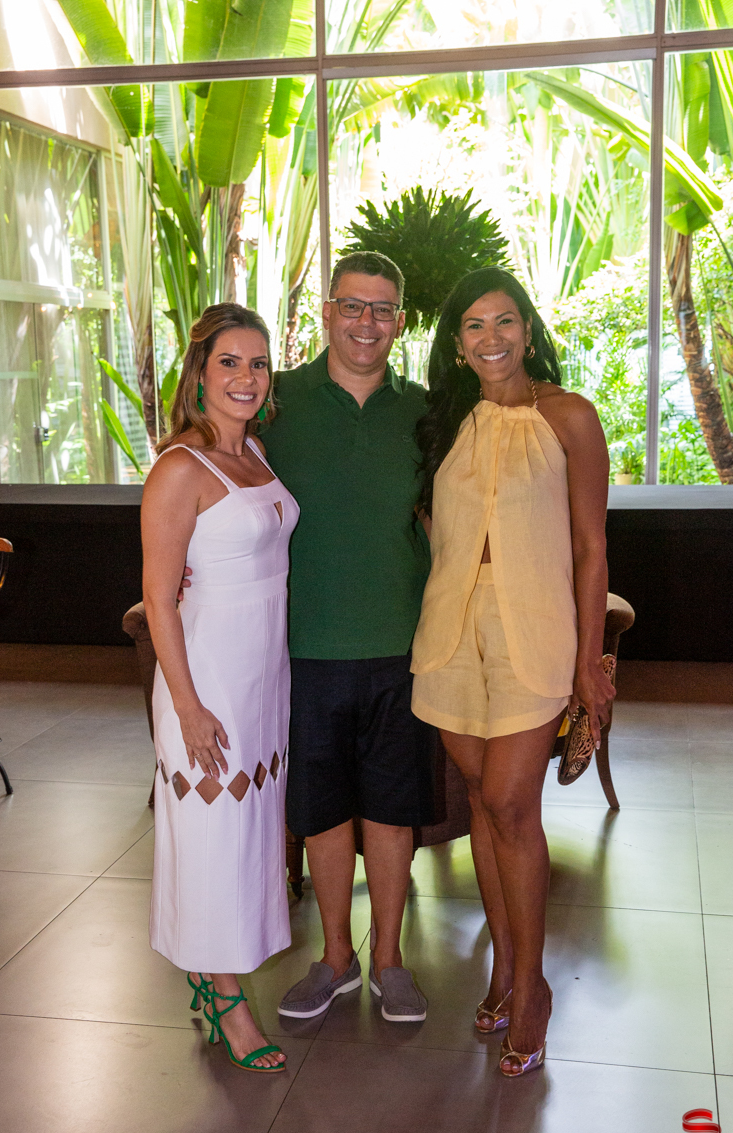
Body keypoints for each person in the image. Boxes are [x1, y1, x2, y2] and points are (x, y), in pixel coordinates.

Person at [410, 267, 614, 1075]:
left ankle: (533, 988)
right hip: (451, 632)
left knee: (508, 803)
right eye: (473, 325)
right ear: (457, 345)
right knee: (482, 807)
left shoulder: (570, 416)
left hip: (536, 631)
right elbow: (432, 529)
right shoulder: (446, 422)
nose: (490, 337)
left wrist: (591, 661)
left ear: (528, 330)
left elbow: (592, 547)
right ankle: (503, 964)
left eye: (504, 320)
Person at [263, 251, 435, 1023]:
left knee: (394, 812)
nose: (367, 322)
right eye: (353, 306)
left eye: (383, 309)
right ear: (327, 312)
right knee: (323, 812)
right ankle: (336, 957)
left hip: (403, 647)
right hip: (303, 648)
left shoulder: (426, 411)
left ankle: (390, 961)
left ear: (399, 321)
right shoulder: (277, 402)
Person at [143, 303, 299, 1073]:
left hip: (262, 677)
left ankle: (216, 979)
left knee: (246, 838)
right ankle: (226, 1002)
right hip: (206, 681)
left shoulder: (256, 453)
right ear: (200, 374)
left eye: (258, 363)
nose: (246, 377)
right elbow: (159, 596)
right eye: (229, 362)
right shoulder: (180, 468)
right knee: (211, 841)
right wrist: (187, 707)